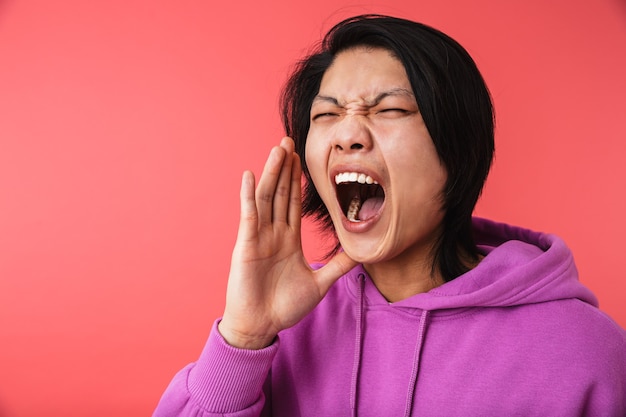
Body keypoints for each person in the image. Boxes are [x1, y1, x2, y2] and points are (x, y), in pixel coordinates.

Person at [153, 14, 626, 417]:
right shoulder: (284, 324)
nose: (348, 135)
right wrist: (243, 340)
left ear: (458, 149)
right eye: (325, 116)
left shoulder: (582, 351)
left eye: (391, 109)